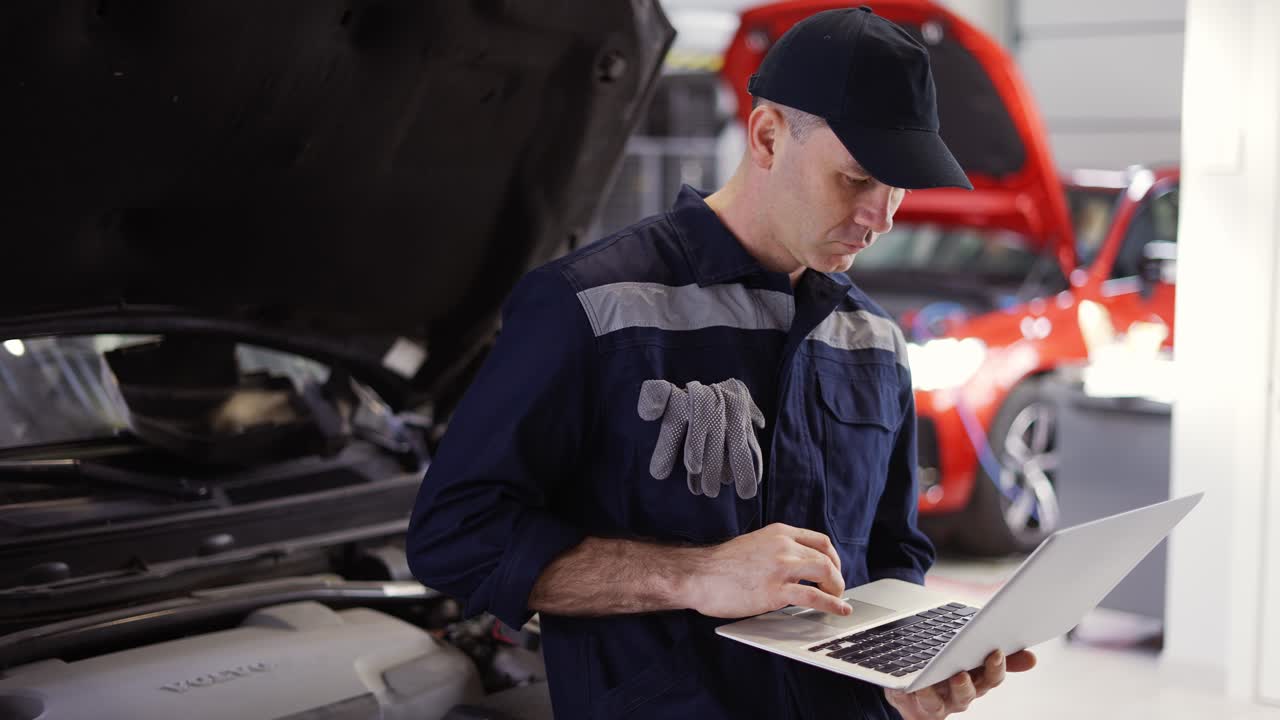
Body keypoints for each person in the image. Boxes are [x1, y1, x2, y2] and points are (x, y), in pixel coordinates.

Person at [408, 6, 1035, 719]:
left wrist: (909, 672)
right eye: (859, 177)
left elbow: (892, 554)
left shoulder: (874, 341)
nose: (883, 216)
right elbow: (455, 539)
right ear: (768, 136)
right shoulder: (592, 308)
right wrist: (695, 575)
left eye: (900, 185)